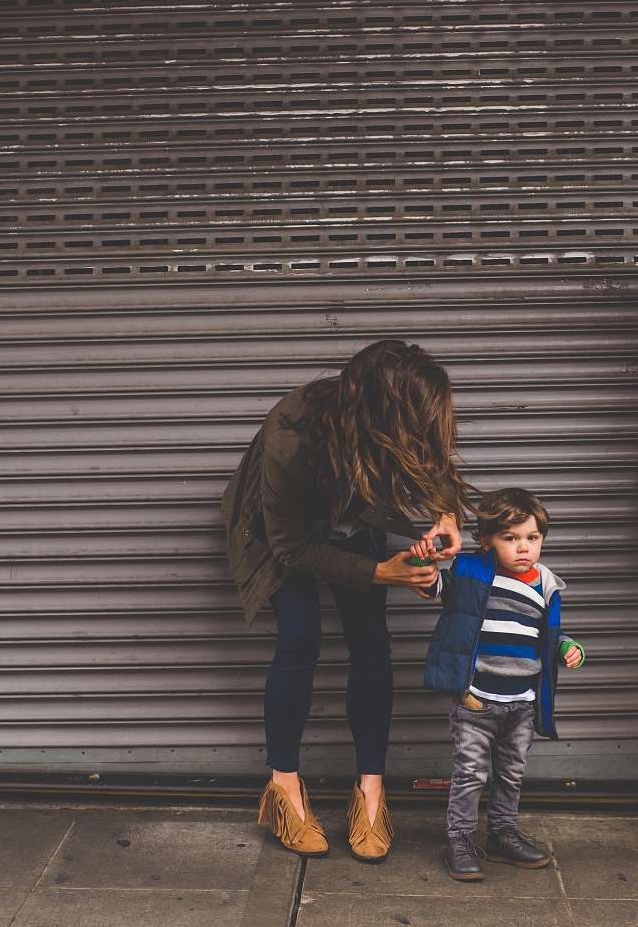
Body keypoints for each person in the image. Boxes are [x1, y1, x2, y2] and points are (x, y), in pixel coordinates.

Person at [222, 339, 469, 861]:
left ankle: (371, 795)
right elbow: (290, 546)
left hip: (353, 514)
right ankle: (284, 790)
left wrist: (447, 516)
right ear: (377, 419)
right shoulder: (292, 437)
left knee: (371, 641)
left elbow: (434, 458)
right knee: (300, 637)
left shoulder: (392, 422)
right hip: (281, 530)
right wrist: (384, 571)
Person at [420, 489, 586, 880]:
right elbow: (430, 585)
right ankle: (460, 840)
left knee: (511, 774)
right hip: (477, 701)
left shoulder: (545, 584)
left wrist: (567, 647)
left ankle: (501, 834)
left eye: (532, 538)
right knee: (471, 774)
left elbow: (548, 634)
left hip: (522, 704)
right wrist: (422, 558)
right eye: (510, 539)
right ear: (486, 541)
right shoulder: (470, 572)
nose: (523, 548)